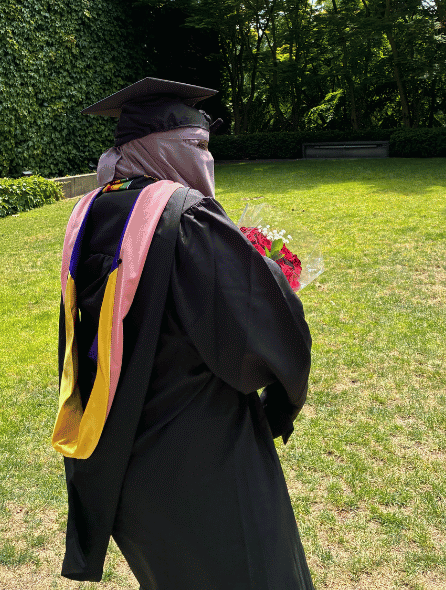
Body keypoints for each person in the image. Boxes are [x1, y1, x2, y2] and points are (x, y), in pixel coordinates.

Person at [53, 77, 315, 589]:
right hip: (205, 466)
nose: (205, 158)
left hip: (123, 466)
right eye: (194, 146)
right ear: (162, 149)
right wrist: (281, 404)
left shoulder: (91, 212)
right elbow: (266, 337)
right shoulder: (186, 220)